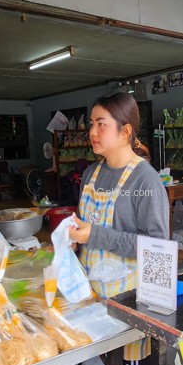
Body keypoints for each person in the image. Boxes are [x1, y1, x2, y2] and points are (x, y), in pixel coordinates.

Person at [67, 92, 170, 299]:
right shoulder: (90, 174)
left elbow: (158, 249)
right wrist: (75, 240)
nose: (92, 132)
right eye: (91, 124)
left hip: (129, 299)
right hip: (89, 293)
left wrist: (94, 235)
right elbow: (88, 228)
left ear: (125, 131)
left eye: (101, 124)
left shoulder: (145, 179)